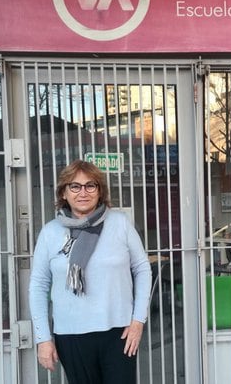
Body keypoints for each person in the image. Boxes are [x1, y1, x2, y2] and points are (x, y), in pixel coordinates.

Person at [29, 159, 152, 384]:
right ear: (64, 193)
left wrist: (138, 320)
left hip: (119, 333)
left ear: (100, 191)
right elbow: (38, 285)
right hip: (71, 335)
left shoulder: (120, 223)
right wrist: (43, 338)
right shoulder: (50, 232)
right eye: (74, 186)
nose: (82, 192)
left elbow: (142, 268)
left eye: (90, 185)